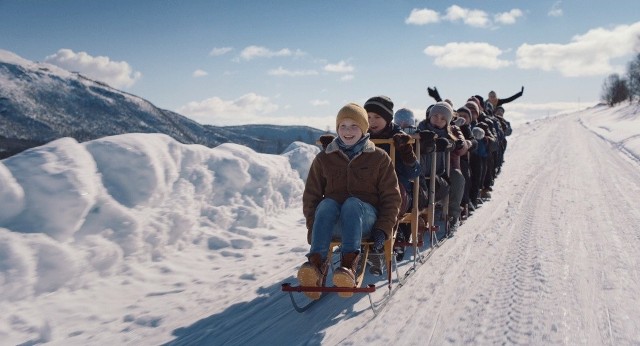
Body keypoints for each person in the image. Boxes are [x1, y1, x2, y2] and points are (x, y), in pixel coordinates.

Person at [298, 102, 401, 299]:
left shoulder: (378, 158)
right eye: (343, 126)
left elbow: (391, 197)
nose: (348, 131)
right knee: (326, 203)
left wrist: (383, 229)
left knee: (352, 204)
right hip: (334, 223)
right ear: (337, 129)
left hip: (366, 222)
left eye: (354, 126)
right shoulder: (324, 158)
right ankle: (316, 265)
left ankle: (348, 266)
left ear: (363, 129)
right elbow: (311, 197)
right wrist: (313, 227)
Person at [364, 96, 421, 268]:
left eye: (377, 117)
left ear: (388, 119)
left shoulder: (399, 137)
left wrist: (405, 150)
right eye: (368, 117)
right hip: (367, 187)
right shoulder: (360, 136)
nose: (372, 121)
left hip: (397, 187)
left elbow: (415, 172)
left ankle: (386, 240)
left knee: (394, 199)